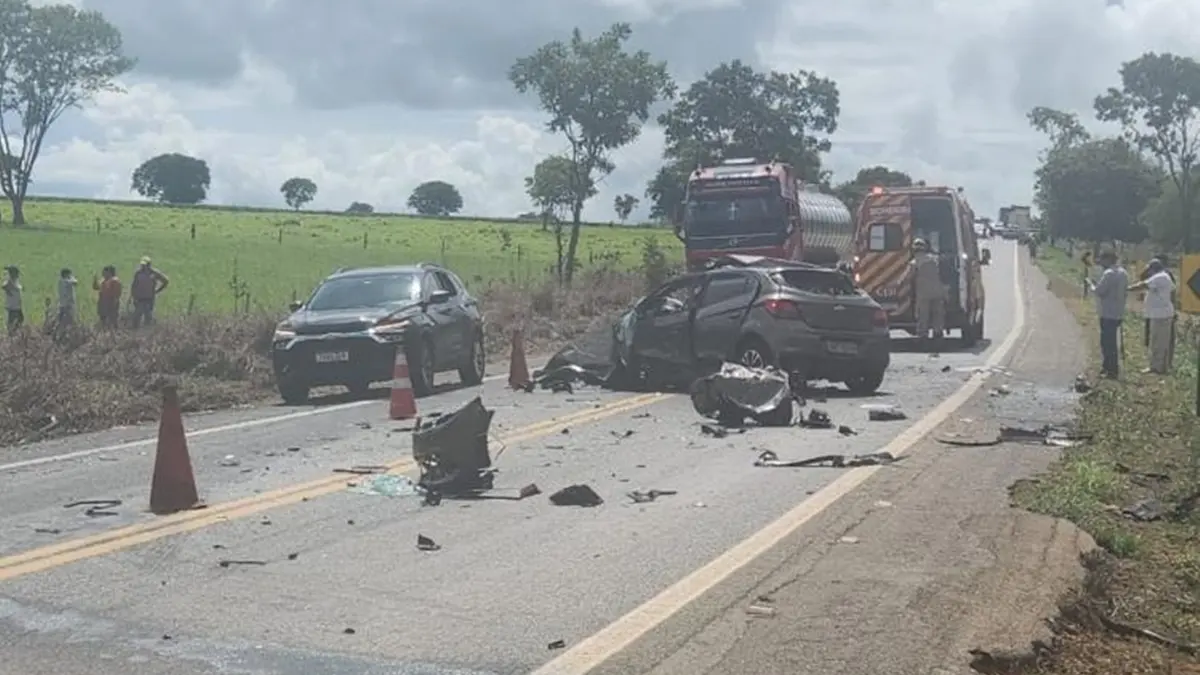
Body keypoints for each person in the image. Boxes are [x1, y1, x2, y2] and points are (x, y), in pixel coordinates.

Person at [1129, 258, 1176, 374]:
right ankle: (1158, 366)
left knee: (1158, 343)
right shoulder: (1164, 277)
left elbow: (1143, 285)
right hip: (1160, 314)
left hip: (1161, 315)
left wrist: (1127, 288)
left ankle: (1157, 368)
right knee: (1157, 342)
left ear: (1153, 268)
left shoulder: (1160, 277)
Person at [1089, 251, 1128, 379]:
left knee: (1107, 343)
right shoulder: (1123, 273)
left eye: (1102, 259)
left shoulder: (1108, 274)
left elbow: (1100, 291)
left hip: (1107, 313)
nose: (1101, 262)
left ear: (1108, 260)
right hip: (1118, 312)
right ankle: (1110, 368)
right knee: (1111, 341)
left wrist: (1091, 285)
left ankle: (1110, 369)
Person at [910, 238, 945, 350]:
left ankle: (923, 339)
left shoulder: (914, 262)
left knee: (923, 316)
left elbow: (909, 277)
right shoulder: (934, 259)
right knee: (937, 316)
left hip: (923, 293)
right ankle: (938, 337)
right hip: (938, 291)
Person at [129, 256, 168, 328]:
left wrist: (158, 290)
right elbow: (134, 285)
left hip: (149, 298)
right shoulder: (138, 273)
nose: (143, 267)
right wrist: (133, 296)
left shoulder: (154, 273)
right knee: (136, 316)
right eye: (142, 265)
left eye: (145, 265)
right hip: (139, 298)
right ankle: (135, 330)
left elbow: (165, 281)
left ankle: (147, 331)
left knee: (148, 316)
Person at [3, 266, 21, 335]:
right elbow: (5, 286)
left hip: (17, 307)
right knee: (12, 324)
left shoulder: (16, 282)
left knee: (17, 323)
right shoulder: (9, 283)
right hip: (12, 308)